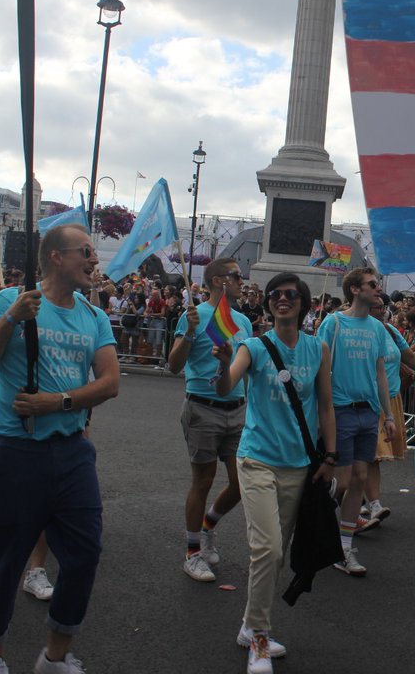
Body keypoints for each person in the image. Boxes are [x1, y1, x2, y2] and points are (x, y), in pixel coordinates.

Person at [0, 225, 120, 674]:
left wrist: (60, 402)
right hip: (17, 452)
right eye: (86, 251)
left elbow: (109, 383)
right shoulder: (10, 301)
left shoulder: (94, 317)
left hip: (73, 453)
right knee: (5, 556)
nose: (94, 259)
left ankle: (55, 654)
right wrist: (13, 317)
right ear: (55, 257)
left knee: (85, 552)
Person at [212, 273, 337, 673]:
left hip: (298, 465)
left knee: (276, 552)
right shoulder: (252, 346)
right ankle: (260, 639)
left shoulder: (318, 348)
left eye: (290, 295)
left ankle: (249, 626)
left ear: (302, 303)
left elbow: (325, 407)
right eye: (275, 295)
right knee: (267, 548)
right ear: (268, 305)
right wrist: (220, 367)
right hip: (257, 459)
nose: (282, 299)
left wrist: (330, 456)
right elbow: (226, 384)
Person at [166, 258, 253, 583]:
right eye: (236, 276)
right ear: (218, 281)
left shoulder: (242, 320)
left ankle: (207, 527)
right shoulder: (195, 316)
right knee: (202, 481)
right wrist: (189, 332)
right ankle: (192, 553)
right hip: (203, 408)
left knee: (241, 480)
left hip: (238, 408)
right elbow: (174, 365)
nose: (241, 280)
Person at [316, 267, 394, 575]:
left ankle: (344, 548)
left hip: (368, 411)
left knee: (360, 478)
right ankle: (314, 512)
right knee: (344, 481)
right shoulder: (333, 323)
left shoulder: (377, 328)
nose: (378, 289)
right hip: (341, 410)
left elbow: (380, 375)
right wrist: (321, 415)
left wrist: (388, 415)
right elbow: (320, 370)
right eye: (372, 284)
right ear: (354, 290)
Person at [362, 295, 415, 530]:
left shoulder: (390, 331)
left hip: (391, 399)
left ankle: (363, 498)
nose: (381, 311)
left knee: (372, 456)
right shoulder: (361, 332)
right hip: (367, 401)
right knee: (371, 456)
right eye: (375, 307)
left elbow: (409, 356)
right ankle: (373, 503)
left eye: (382, 307)